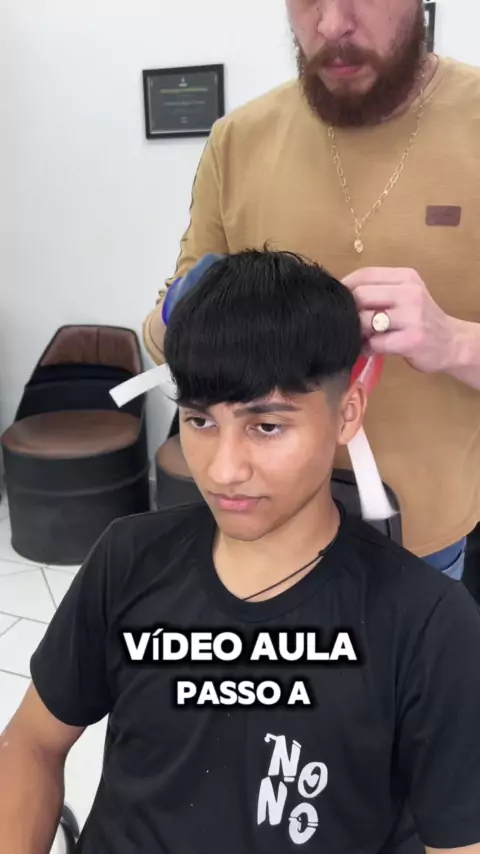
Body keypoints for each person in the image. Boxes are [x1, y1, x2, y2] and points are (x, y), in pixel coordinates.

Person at [2, 250, 480, 854]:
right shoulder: (127, 558)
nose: (223, 470)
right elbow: (32, 742)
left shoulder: (429, 625)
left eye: (266, 426)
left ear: (347, 414)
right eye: (200, 421)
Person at [143, 0, 480, 579]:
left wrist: (452, 342)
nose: (330, 25)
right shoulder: (238, 140)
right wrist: (181, 314)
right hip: (262, 531)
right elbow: (163, 332)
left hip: (423, 542)